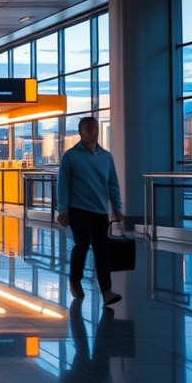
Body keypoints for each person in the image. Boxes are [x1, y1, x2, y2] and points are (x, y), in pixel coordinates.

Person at [55, 116, 124, 304]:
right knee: (83, 243)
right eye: (88, 130)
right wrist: (62, 210)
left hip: (100, 210)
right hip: (78, 209)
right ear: (80, 133)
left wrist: (117, 207)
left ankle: (107, 291)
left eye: (94, 129)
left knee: (102, 249)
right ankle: (75, 280)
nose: (92, 133)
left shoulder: (106, 157)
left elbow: (113, 184)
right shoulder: (70, 156)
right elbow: (63, 184)